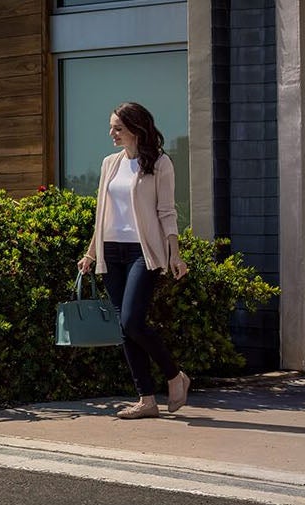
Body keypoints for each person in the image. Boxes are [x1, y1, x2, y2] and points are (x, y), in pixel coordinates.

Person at [77, 102, 191, 419]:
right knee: (125, 328)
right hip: (111, 251)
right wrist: (90, 253)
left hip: (143, 251)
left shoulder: (160, 163)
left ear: (136, 129)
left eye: (118, 128)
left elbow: (166, 212)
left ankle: (175, 375)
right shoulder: (109, 164)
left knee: (131, 321)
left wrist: (175, 253)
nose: (111, 133)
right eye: (111, 127)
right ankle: (146, 400)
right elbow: (101, 214)